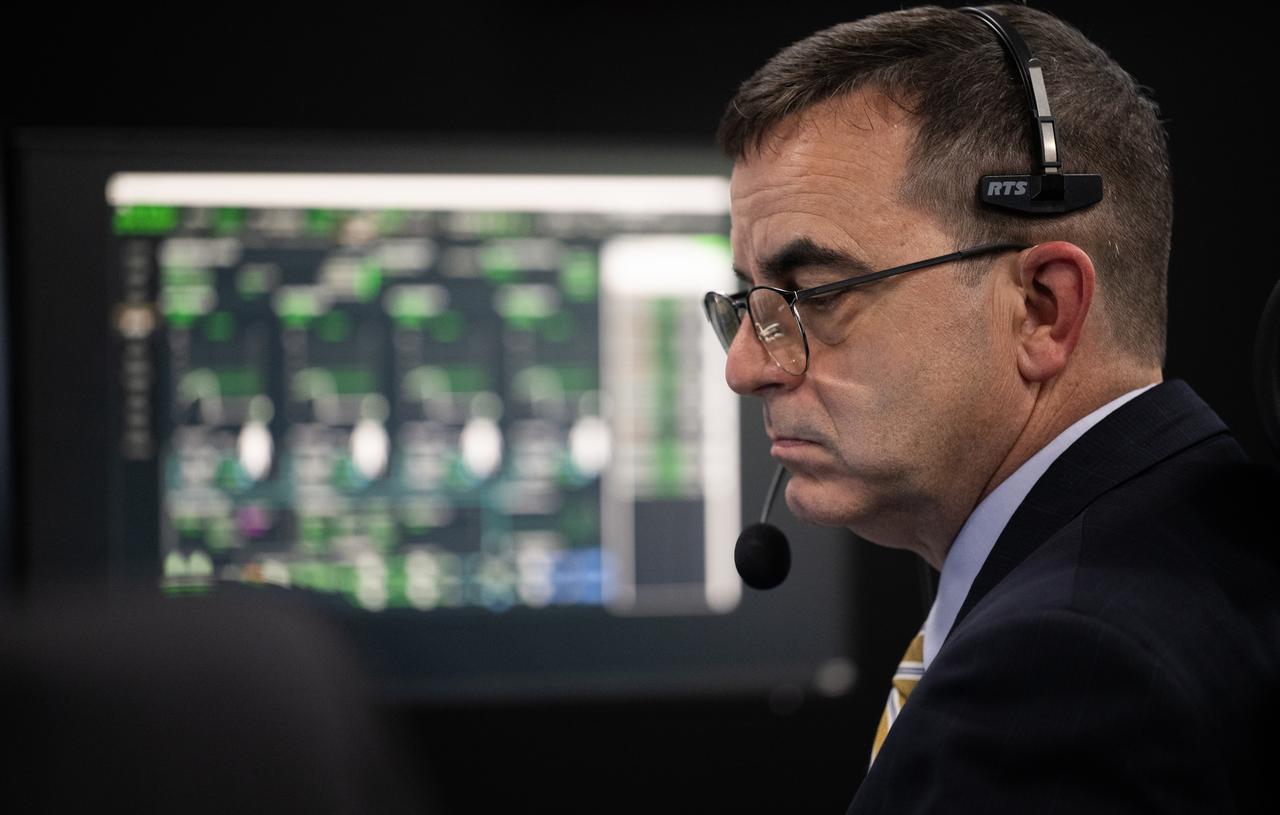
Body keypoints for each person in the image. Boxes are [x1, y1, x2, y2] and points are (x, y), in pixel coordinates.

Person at [703, 4, 1280, 812]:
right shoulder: (1209, 544)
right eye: (748, 301)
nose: (744, 365)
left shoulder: (1059, 679)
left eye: (811, 292)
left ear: (1043, 308)